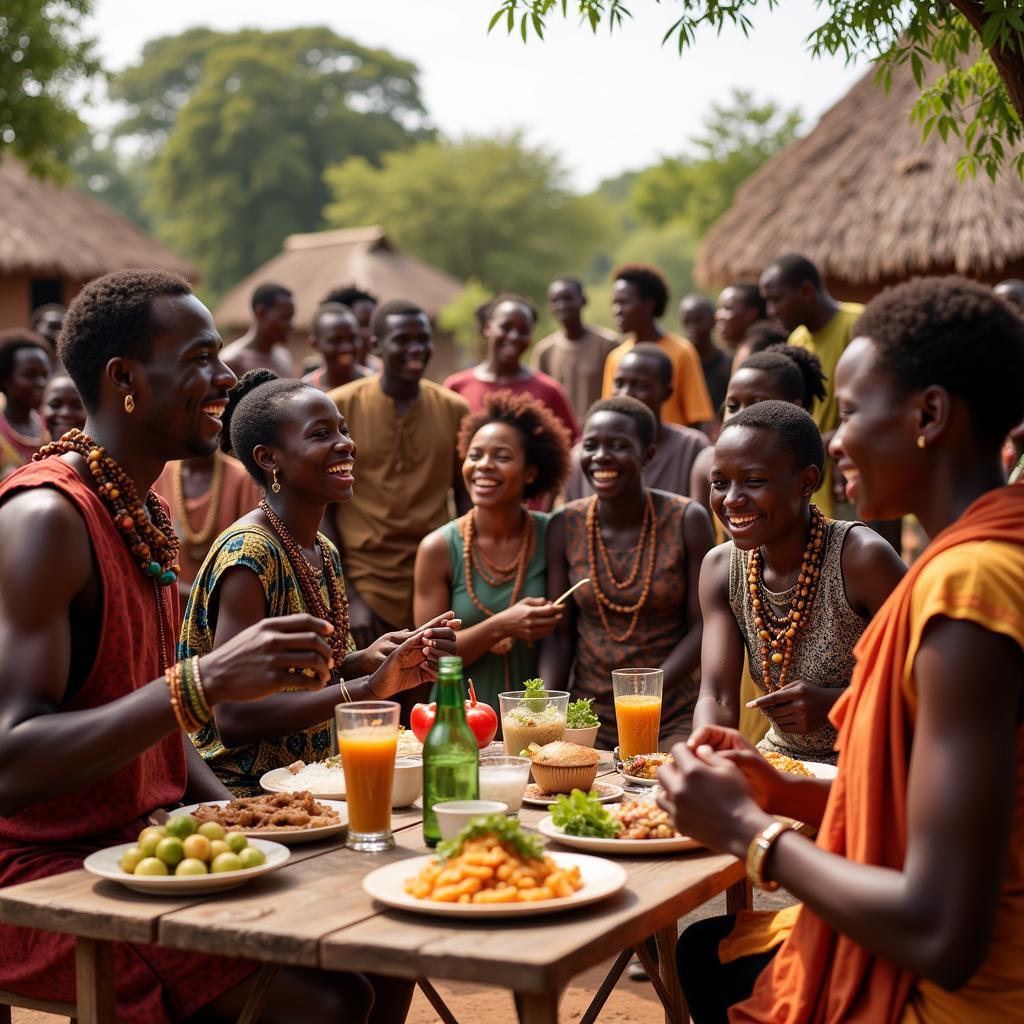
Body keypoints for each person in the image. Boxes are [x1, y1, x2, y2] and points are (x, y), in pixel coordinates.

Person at [0, 269, 399, 1024]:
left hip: (147, 846)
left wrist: (233, 819)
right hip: (36, 878)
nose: (225, 377)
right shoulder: (47, 519)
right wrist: (201, 682)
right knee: (329, 999)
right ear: (124, 380)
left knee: (378, 947)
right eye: (199, 359)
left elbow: (144, 715)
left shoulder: (140, 509)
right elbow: (12, 761)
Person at [660, 276, 1024, 1023]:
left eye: (851, 411)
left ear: (928, 414)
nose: (834, 437)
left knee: (713, 961)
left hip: (960, 997)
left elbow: (940, 930)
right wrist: (775, 787)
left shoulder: (968, 589)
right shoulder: (975, 556)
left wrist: (745, 831)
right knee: (704, 954)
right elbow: (922, 802)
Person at [181, 370, 457, 805]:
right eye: (321, 434)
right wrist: (365, 689)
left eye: (344, 430)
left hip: (309, 785)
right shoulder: (249, 555)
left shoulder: (321, 549)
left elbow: (294, 678)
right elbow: (232, 716)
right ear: (270, 459)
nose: (345, 444)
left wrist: (365, 660)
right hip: (244, 799)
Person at [691, 401, 905, 766]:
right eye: (720, 483)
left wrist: (837, 703)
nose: (731, 499)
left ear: (807, 482)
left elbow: (924, 685)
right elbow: (718, 696)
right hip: (783, 759)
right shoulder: (721, 567)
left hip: (873, 759)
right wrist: (705, 752)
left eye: (754, 481)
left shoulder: (861, 558)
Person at [542, 396, 714, 749]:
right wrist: (548, 709)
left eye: (618, 446)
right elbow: (560, 635)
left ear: (648, 455)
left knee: (661, 791)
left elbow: (703, 624)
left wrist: (648, 688)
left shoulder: (687, 519)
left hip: (670, 710)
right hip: (587, 715)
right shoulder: (565, 524)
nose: (601, 456)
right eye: (591, 445)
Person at [328, 300, 470, 667]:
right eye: (402, 340)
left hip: (436, 583)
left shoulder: (454, 409)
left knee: (427, 702)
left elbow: (467, 500)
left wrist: (466, 585)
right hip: (365, 583)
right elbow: (323, 505)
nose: (416, 349)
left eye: (423, 339)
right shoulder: (340, 406)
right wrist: (348, 596)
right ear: (375, 344)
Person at [414, 391, 570, 709]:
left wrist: (545, 710)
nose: (483, 466)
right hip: (457, 717)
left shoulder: (552, 532)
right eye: (475, 455)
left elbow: (561, 637)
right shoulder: (438, 547)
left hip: (534, 716)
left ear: (530, 472)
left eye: (501, 456)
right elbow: (431, 656)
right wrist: (504, 624)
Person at [759, 254, 863, 518]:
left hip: (855, 467)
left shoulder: (857, 324)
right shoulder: (798, 340)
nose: (771, 312)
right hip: (818, 473)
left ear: (805, 290)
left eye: (776, 299)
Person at [689, 344, 828, 519]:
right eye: (732, 406)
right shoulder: (705, 463)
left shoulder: (801, 465)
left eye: (755, 481)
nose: (742, 414)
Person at [564, 343, 709, 500]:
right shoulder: (583, 456)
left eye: (639, 385)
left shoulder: (692, 448)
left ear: (666, 393)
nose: (625, 393)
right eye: (619, 384)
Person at [444, 293, 580, 450]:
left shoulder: (549, 390)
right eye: (505, 327)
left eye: (523, 330)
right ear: (488, 328)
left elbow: (573, 447)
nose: (514, 336)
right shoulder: (456, 387)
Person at [602, 264, 714, 431]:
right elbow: (610, 412)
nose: (617, 310)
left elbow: (697, 417)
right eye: (615, 303)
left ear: (648, 304)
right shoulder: (616, 357)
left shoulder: (681, 351)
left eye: (624, 302)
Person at [152, 449, 263, 605]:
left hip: (220, 612)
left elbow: (252, 560)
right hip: (169, 606)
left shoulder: (243, 479)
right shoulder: (161, 474)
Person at [531, 276, 619, 421]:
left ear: (583, 301)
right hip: (560, 436)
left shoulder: (608, 344)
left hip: (599, 432)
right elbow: (540, 398)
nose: (562, 305)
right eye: (555, 301)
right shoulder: (545, 351)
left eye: (568, 299)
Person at [0, 329, 52, 479]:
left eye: (44, 375)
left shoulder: (50, 423)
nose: (41, 383)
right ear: (4, 379)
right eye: (30, 375)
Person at [221, 282, 296, 379]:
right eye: (285, 317)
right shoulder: (231, 361)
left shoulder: (285, 357)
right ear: (262, 312)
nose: (292, 325)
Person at [302, 302, 374, 391]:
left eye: (352, 338)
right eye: (335, 341)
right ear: (315, 344)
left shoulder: (374, 385)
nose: (346, 348)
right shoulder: (306, 390)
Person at [680, 293, 731, 416]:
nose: (692, 328)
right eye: (687, 322)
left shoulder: (728, 363)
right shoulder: (679, 362)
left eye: (698, 321)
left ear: (713, 321)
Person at [323, 285, 381, 370]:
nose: (370, 332)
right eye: (362, 324)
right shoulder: (312, 380)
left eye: (373, 324)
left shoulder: (382, 373)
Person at [714, 283, 767, 355]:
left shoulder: (761, 353)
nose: (718, 315)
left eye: (728, 308)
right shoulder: (725, 355)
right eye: (719, 308)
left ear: (751, 314)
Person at [41, 373, 86, 440]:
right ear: (41, 409)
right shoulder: (29, 448)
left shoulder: (101, 449)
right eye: (55, 405)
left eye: (77, 406)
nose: (65, 413)